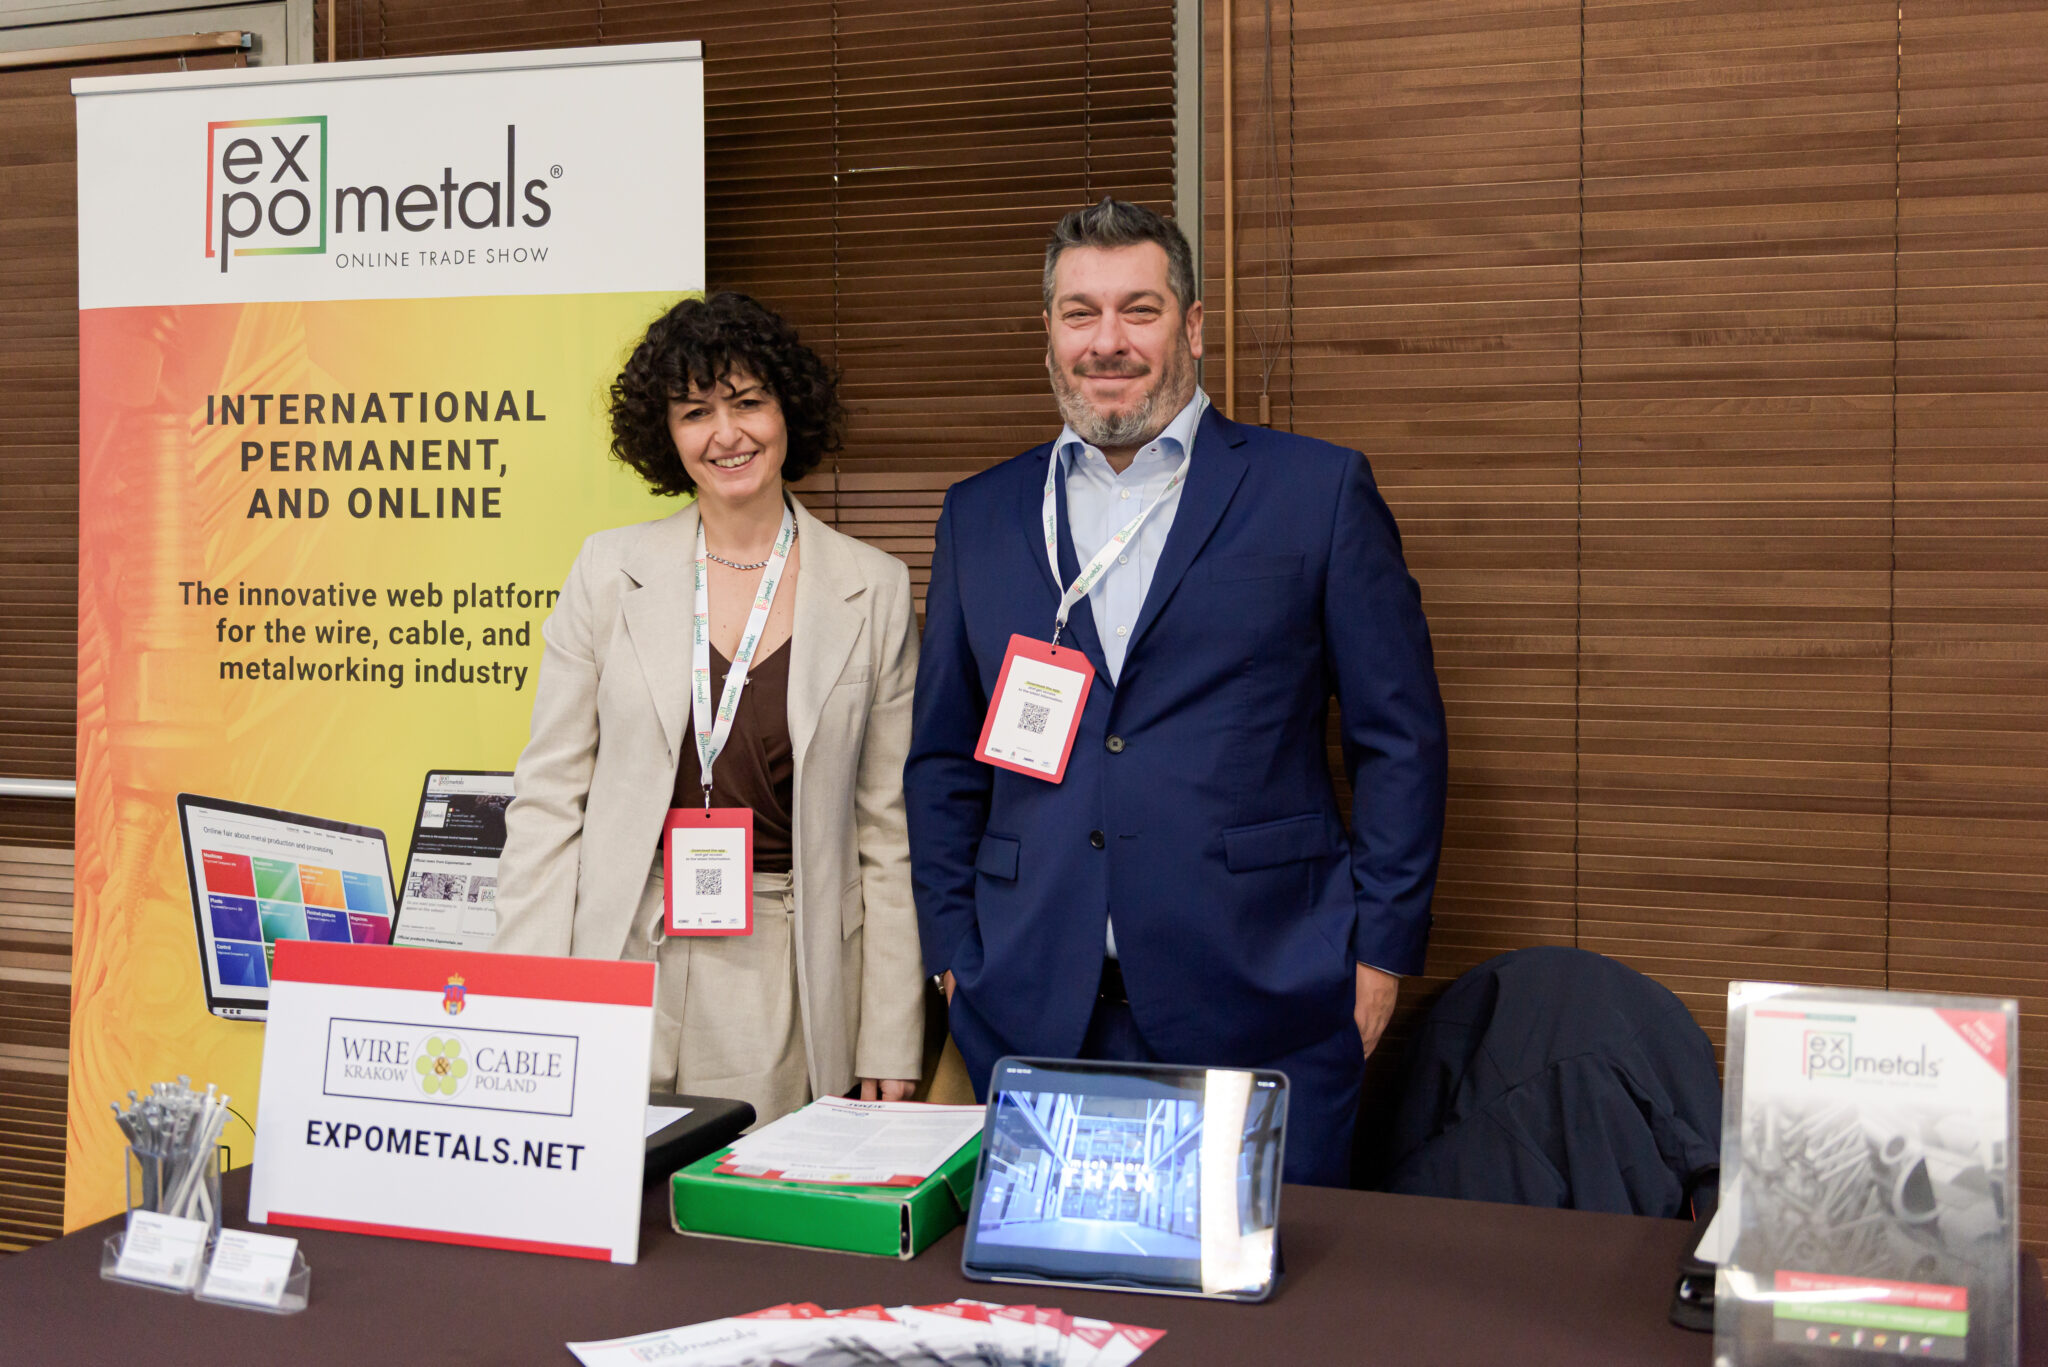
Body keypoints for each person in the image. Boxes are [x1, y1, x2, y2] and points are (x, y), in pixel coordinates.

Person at [904, 199, 1448, 1186]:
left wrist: (1378, 955)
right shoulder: (978, 514)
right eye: (1080, 313)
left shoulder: (1315, 491)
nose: (1106, 341)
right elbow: (942, 756)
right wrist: (953, 951)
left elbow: (1398, 739)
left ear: (1191, 325)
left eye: (1139, 309)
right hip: (1030, 999)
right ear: (1049, 333)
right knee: (1056, 1278)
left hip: (1265, 994)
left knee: (1258, 1282)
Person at [495, 291, 924, 1127]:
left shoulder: (872, 589)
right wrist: (526, 990)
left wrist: (890, 1033)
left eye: (748, 402)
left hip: (789, 965)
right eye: (695, 412)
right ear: (667, 434)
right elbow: (549, 798)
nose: (726, 434)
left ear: (787, 409)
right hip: (625, 946)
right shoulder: (607, 572)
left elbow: (888, 829)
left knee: (755, 1202)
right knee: (617, 1195)